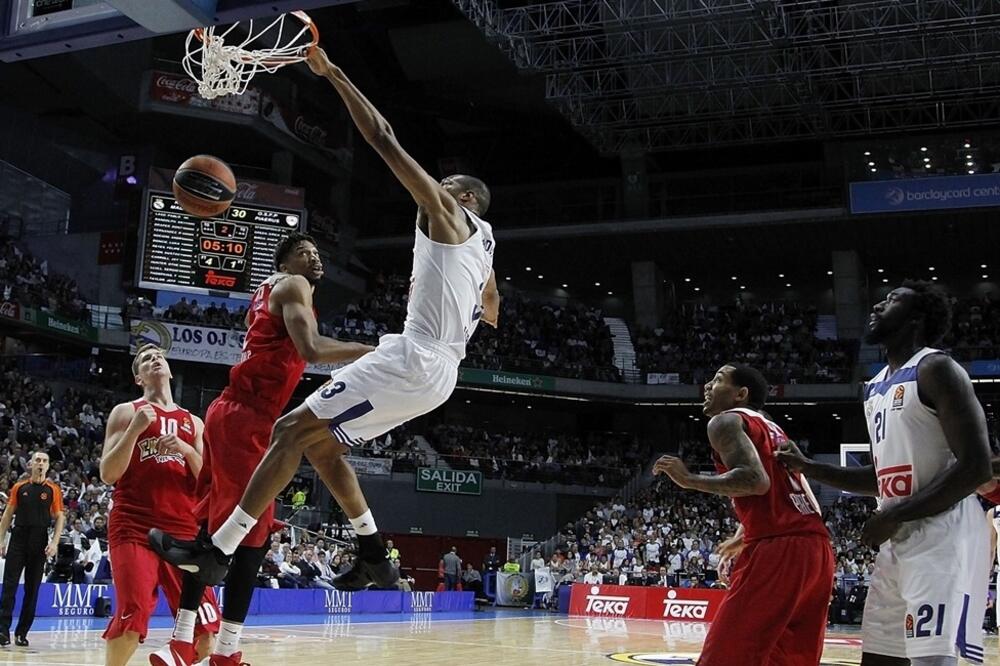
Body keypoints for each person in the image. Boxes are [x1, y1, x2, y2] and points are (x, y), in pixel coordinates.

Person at [153, 44, 499, 604]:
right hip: (440, 369)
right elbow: (491, 305)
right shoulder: (486, 246)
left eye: (443, 185)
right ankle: (372, 553)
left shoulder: (449, 214)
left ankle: (216, 551)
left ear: (460, 197)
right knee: (320, 446)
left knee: (288, 431)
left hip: (416, 355)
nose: (430, 190)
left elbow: (383, 138)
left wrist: (334, 72)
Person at [149, 232, 379, 666]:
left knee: (211, 531)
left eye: (317, 252)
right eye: (303, 252)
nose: (314, 258)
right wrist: (374, 351)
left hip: (231, 412)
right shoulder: (293, 286)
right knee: (250, 535)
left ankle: (184, 639)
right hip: (248, 419)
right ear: (285, 261)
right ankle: (223, 650)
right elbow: (312, 349)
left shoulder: (268, 291)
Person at [778, 281, 992, 666]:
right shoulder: (874, 386)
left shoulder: (937, 368)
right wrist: (810, 468)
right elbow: (883, 475)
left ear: (916, 318)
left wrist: (893, 514)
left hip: (941, 537)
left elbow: (975, 465)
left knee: (932, 660)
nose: (877, 304)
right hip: (898, 538)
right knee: (880, 659)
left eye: (892, 300)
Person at [655, 363, 833, 666]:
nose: (708, 386)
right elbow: (783, 487)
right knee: (787, 659)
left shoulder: (725, 422)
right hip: (817, 549)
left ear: (741, 394)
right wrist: (745, 532)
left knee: (725, 657)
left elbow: (756, 481)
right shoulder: (771, 427)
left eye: (718, 380)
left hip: (780, 549)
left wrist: (689, 480)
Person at [99, 344, 220, 666]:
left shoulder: (193, 422)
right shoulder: (126, 412)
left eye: (158, 357)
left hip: (182, 528)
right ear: (139, 377)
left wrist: (185, 449)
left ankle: (170, 658)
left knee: (206, 631)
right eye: (146, 360)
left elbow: (207, 481)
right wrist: (136, 430)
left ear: (167, 368)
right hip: (134, 524)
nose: (154, 360)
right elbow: (108, 474)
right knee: (133, 612)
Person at [0, 451, 64, 646]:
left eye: (44, 461)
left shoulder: (53, 490)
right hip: (18, 538)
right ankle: (3, 631)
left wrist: (54, 542)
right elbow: (8, 515)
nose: (41, 464)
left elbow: (60, 516)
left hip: (40, 540)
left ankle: (22, 633)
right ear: (30, 464)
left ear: (48, 465)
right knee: (9, 586)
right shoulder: (19, 487)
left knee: (32, 589)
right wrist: (1, 540)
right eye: (37, 460)